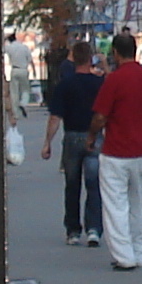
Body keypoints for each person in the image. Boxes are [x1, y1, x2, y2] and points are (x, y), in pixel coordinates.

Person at [89, 32, 142, 270]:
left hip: (117, 150)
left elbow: (101, 116)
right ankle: (138, 251)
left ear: (115, 52)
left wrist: (92, 136)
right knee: (136, 200)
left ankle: (124, 256)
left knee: (116, 205)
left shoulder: (114, 79)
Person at [42, 41, 105, 246]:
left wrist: (47, 142)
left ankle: (73, 230)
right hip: (94, 136)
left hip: (71, 136)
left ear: (72, 59)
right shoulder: (99, 83)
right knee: (94, 184)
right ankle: (94, 228)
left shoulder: (65, 84)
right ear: (91, 59)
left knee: (72, 185)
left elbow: (55, 116)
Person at [5, 31, 37, 120]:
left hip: (14, 70)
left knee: (14, 92)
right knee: (26, 89)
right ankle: (23, 103)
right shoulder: (24, 47)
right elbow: (30, 60)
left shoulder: (9, 47)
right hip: (23, 70)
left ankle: (16, 114)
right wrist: (34, 71)